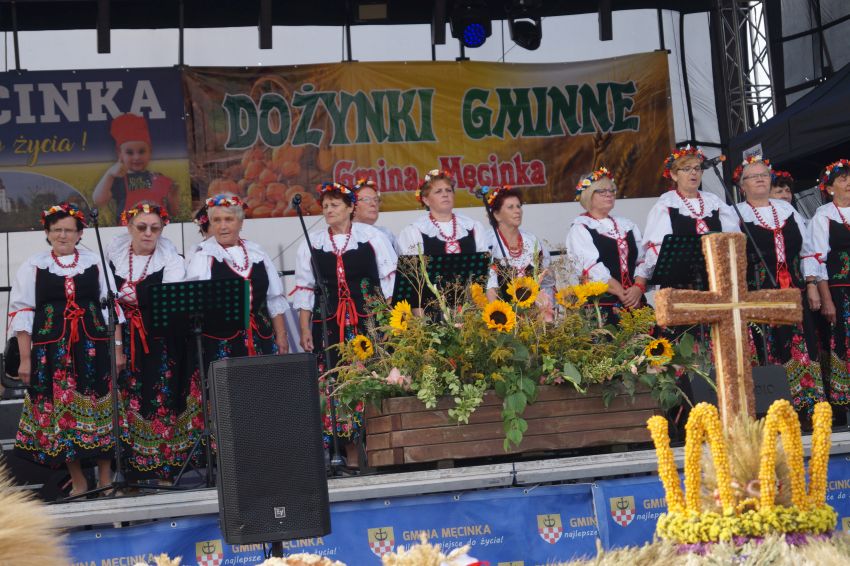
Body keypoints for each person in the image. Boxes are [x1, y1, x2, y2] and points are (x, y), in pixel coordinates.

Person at [9, 203, 125, 497]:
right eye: (57, 230)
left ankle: (105, 476)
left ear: (80, 233)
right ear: (47, 233)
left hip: (93, 346)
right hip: (53, 351)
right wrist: (25, 359)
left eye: (69, 230)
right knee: (64, 415)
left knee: (101, 407)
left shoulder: (94, 262)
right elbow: (23, 314)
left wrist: (118, 348)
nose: (62, 235)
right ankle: (78, 480)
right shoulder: (34, 265)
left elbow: (112, 308)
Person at [292, 182, 397, 449]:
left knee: (373, 371)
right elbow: (305, 289)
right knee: (333, 377)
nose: (328, 210)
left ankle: (376, 442)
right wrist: (304, 329)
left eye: (335, 205)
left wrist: (391, 322)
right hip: (328, 323)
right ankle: (342, 445)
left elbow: (389, 282)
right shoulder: (312, 244)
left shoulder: (372, 238)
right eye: (325, 206)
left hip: (369, 321)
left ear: (351, 208)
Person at [106, 202, 194, 481]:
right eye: (142, 227)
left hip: (160, 338)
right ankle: (130, 475)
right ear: (129, 227)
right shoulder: (113, 255)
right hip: (123, 336)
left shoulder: (170, 258)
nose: (148, 233)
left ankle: (164, 471)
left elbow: (170, 301)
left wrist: (138, 299)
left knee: (161, 398)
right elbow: (107, 299)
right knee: (127, 399)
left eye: (155, 228)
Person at [733, 156, 825, 413]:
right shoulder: (735, 214)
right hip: (758, 295)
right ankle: (773, 409)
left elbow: (808, 250)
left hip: (794, 291)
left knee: (801, 343)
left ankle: (807, 407)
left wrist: (811, 283)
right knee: (768, 346)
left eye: (764, 175)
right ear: (742, 185)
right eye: (753, 176)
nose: (760, 179)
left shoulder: (786, 210)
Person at [185, 193, 289, 365]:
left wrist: (281, 335)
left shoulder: (257, 252)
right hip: (221, 343)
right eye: (216, 220)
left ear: (241, 223)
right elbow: (194, 306)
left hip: (261, 337)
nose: (222, 226)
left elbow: (274, 298)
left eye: (228, 219)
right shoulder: (203, 256)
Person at [641, 145, 740, 286]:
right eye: (687, 169)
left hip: (714, 280)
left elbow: (733, 238)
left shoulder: (713, 201)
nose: (693, 172)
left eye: (697, 168)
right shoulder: (667, 203)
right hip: (678, 281)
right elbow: (658, 247)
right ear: (674, 175)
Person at [565, 168, 648, 322]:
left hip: (636, 302)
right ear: (588, 195)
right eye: (602, 191)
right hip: (602, 305)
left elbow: (643, 260)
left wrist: (638, 288)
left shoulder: (627, 225)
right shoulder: (581, 228)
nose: (609, 194)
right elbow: (591, 268)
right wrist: (624, 295)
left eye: (611, 190)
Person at [809, 158, 850, 407]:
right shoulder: (823, 216)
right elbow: (817, 259)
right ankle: (844, 401)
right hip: (840, 290)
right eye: (843, 179)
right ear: (830, 188)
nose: (849, 182)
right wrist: (826, 299)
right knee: (843, 341)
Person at [93, 113, 180, 218]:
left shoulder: (159, 178)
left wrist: (173, 196)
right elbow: (99, 200)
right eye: (130, 153)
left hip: (154, 226)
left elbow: (174, 212)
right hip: (127, 226)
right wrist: (109, 174)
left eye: (142, 151)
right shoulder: (118, 180)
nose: (136, 157)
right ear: (120, 153)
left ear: (150, 152)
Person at [482, 185, 554, 304]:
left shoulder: (532, 241)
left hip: (534, 310)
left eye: (519, 206)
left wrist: (547, 308)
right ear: (496, 215)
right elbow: (487, 285)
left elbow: (547, 283)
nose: (517, 211)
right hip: (501, 310)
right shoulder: (488, 243)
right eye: (510, 207)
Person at [397, 169, 490, 256]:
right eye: (438, 191)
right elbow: (411, 267)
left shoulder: (472, 227)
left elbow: (487, 263)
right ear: (426, 200)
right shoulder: (415, 231)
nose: (445, 194)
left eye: (448, 190)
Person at [352, 178, 400, 253]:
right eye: (366, 199)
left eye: (376, 200)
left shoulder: (385, 233)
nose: (373, 204)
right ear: (352, 206)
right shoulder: (345, 236)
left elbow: (402, 259)